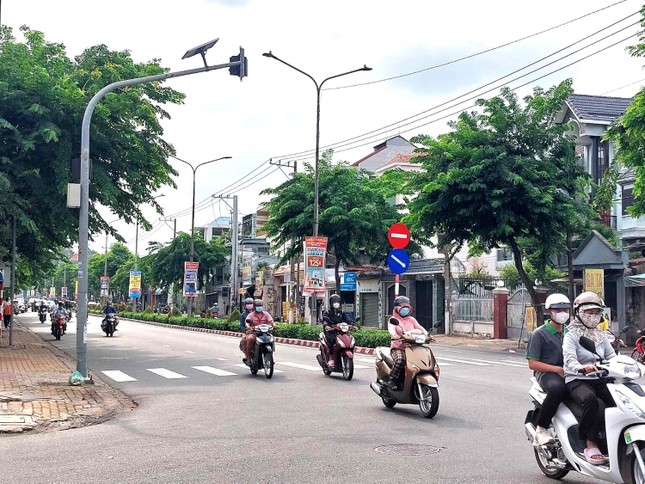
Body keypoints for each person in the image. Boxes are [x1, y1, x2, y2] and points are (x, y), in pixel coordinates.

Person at [563, 291, 615, 466]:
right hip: (577, 379)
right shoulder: (571, 334)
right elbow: (569, 359)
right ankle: (589, 443)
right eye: (588, 312)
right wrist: (581, 367)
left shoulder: (601, 334)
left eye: (596, 313)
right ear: (578, 312)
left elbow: (612, 356)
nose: (592, 317)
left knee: (619, 398)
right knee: (590, 400)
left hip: (599, 378)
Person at [526, 293, 571, 446]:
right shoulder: (539, 334)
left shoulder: (569, 333)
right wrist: (556, 369)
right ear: (549, 312)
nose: (562, 313)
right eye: (558, 310)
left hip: (569, 371)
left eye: (565, 309)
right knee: (558, 389)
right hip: (546, 373)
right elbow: (532, 363)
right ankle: (542, 428)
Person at [387, 296, 431, 391]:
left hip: (413, 347)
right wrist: (394, 335)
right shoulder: (393, 320)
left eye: (407, 307)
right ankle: (392, 379)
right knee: (400, 360)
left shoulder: (411, 319)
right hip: (399, 348)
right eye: (403, 307)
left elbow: (420, 328)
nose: (405, 309)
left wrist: (428, 334)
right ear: (397, 308)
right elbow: (391, 329)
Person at [321, 294, 353, 367]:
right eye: (334, 302)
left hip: (341, 332)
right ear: (331, 303)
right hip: (331, 332)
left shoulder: (342, 312)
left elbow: (348, 320)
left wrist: (351, 325)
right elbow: (325, 320)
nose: (336, 303)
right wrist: (327, 326)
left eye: (338, 302)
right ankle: (331, 358)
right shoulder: (327, 312)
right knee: (332, 341)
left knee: (349, 339)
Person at [242, 299, 275, 363]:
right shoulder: (251, 315)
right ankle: (248, 357)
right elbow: (247, 323)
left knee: (271, 338)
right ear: (254, 307)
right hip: (254, 332)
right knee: (250, 338)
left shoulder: (266, 314)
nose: (259, 307)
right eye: (258, 306)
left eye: (260, 305)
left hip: (264, 332)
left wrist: (274, 325)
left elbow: (271, 321)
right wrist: (249, 327)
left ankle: (270, 356)